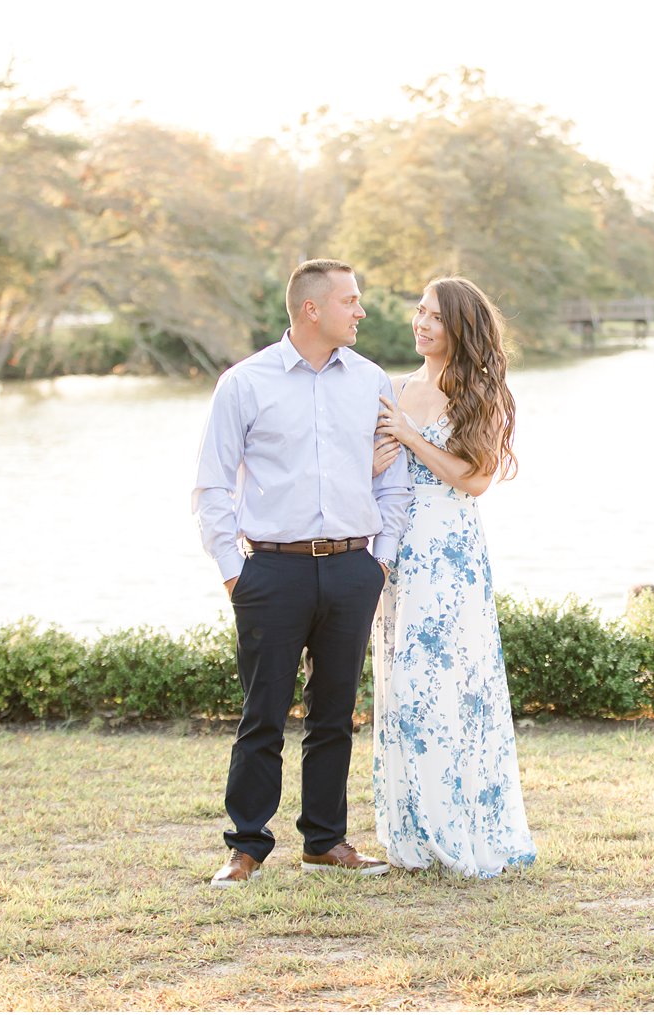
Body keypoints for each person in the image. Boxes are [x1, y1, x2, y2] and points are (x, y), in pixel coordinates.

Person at [192, 258, 413, 887]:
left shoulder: (371, 380)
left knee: (335, 713)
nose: (361, 311)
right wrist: (234, 569)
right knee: (262, 715)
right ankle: (246, 847)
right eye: (351, 300)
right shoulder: (245, 383)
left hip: (351, 567)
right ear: (312, 309)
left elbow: (393, 479)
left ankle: (325, 841)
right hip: (272, 571)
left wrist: (381, 558)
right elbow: (211, 483)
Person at [369, 276, 536, 878]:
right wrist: (378, 460)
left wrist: (412, 439)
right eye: (419, 311)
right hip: (397, 554)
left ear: (459, 327)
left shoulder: (481, 393)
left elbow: (476, 478)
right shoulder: (393, 389)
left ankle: (462, 828)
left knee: (451, 686)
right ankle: (412, 834)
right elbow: (371, 471)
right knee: (404, 686)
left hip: (451, 556)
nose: (421, 323)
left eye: (435, 316)